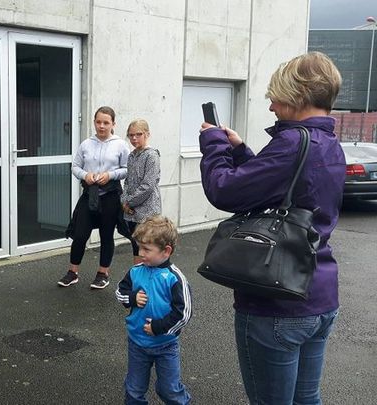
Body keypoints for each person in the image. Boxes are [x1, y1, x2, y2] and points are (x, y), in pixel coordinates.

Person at [199, 51, 344, 404]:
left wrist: (214, 144)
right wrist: (241, 150)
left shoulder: (293, 142)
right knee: (307, 398)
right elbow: (288, 192)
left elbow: (226, 191)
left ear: (298, 95)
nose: (272, 108)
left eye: (276, 98)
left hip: (278, 303)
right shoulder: (329, 143)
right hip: (319, 295)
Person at [115, 215, 192, 405]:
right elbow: (119, 291)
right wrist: (132, 298)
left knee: (169, 390)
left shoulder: (174, 278)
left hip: (166, 345)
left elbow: (184, 313)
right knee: (134, 390)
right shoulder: (135, 271)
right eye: (139, 247)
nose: (140, 252)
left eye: (146, 249)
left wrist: (158, 326)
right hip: (137, 343)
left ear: (166, 251)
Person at [58, 106, 129, 289]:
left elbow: (128, 169)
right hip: (89, 195)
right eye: (98, 122)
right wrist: (85, 175)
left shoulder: (120, 144)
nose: (102, 126)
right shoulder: (86, 144)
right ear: (94, 122)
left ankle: (102, 273)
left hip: (111, 196)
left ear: (113, 124)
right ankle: (73, 272)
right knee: (80, 235)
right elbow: (75, 167)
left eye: (106, 122)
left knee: (106, 235)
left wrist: (110, 175)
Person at [120, 119, 161, 265]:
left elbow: (148, 186)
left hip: (147, 211)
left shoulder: (152, 156)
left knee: (148, 247)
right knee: (135, 245)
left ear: (147, 134)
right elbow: (127, 182)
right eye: (131, 135)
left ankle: (150, 282)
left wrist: (129, 202)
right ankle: (138, 277)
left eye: (138, 134)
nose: (134, 138)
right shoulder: (131, 156)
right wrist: (124, 201)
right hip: (131, 211)